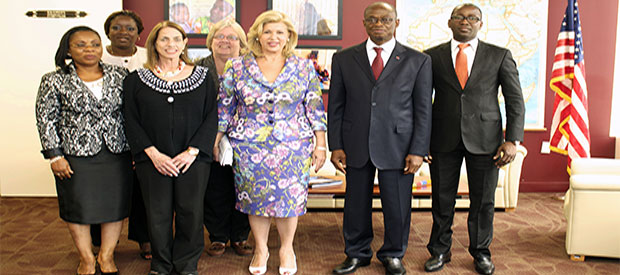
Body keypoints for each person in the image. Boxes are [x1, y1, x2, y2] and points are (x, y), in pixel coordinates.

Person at [217, 10, 327, 275]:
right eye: (267, 31)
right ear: (258, 34)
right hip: (249, 144)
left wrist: (320, 144)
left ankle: (287, 248)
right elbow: (225, 106)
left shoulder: (303, 67)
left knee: (289, 200)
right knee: (255, 198)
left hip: (293, 145)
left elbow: (314, 106)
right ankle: (261, 248)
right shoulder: (238, 66)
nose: (273, 37)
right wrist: (218, 138)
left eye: (280, 32)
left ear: (289, 36)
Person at [328, 2, 432, 275]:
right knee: (355, 203)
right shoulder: (343, 59)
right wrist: (335, 145)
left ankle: (393, 254)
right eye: (372, 20)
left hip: (399, 146)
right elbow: (336, 106)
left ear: (396, 23)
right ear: (364, 23)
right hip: (355, 143)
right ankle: (356, 253)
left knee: (397, 205)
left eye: (386, 20)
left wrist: (419, 150)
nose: (379, 24)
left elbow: (423, 110)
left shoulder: (417, 60)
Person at [423, 3, 525, 275]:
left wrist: (513, 140)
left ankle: (481, 252)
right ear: (450, 22)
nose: (465, 22)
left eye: (472, 18)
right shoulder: (431, 57)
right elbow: (421, 103)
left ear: (481, 23)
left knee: (483, 201)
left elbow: (515, 101)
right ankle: (440, 251)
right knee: (442, 200)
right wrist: (420, 142)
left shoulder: (500, 55)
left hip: (487, 140)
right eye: (460, 17)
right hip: (442, 139)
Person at [35, 26, 132, 275]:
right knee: (78, 207)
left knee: (115, 206)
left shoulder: (121, 75)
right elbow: (45, 119)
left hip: (117, 151)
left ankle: (107, 256)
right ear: (68, 49)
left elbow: (133, 115)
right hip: (74, 155)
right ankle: (87, 258)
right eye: (81, 45)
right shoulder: (54, 79)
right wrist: (54, 155)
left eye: (95, 44)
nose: (89, 49)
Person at [123, 21, 218, 275]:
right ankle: (161, 264)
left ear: (185, 43)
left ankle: (187, 264)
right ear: (154, 43)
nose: (170, 44)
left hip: (193, 159)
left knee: (191, 211)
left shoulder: (203, 77)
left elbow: (212, 116)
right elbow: (130, 119)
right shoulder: (135, 80)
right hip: (152, 159)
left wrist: (193, 151)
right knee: (158, 213)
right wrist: (152, 153)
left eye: (176, 39)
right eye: (164, 39)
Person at [90, 9, 152, 261]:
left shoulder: (149, 57)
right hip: (106, 137)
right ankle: (101, 243)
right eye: (117, 28)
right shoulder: (95, 56)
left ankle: (145, 239)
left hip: (145, 133)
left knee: (144, 191)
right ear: (108, 32)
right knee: (104, 191)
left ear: (138, 34)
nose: (123, 32)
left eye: (130, 28)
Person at [194, 19, 252, 257]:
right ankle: (217, 235)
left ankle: (239, 236)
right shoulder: (197, 69)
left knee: (243, 186)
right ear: (211, 41)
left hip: (245, 136)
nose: (225, 41)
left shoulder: (250, 68)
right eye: (220, 36)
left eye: (232, 37)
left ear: (242, 44)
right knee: (214, 187)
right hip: (207, 134)